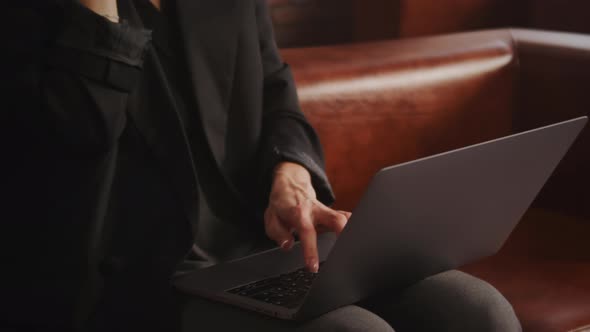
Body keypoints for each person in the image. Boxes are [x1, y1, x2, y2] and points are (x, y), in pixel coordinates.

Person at [4, 0, 522, 331]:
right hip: (134, 281)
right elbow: (72, 142)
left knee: (479, 312)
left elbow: (277, 91)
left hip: (263, 249)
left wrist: (289, 171)